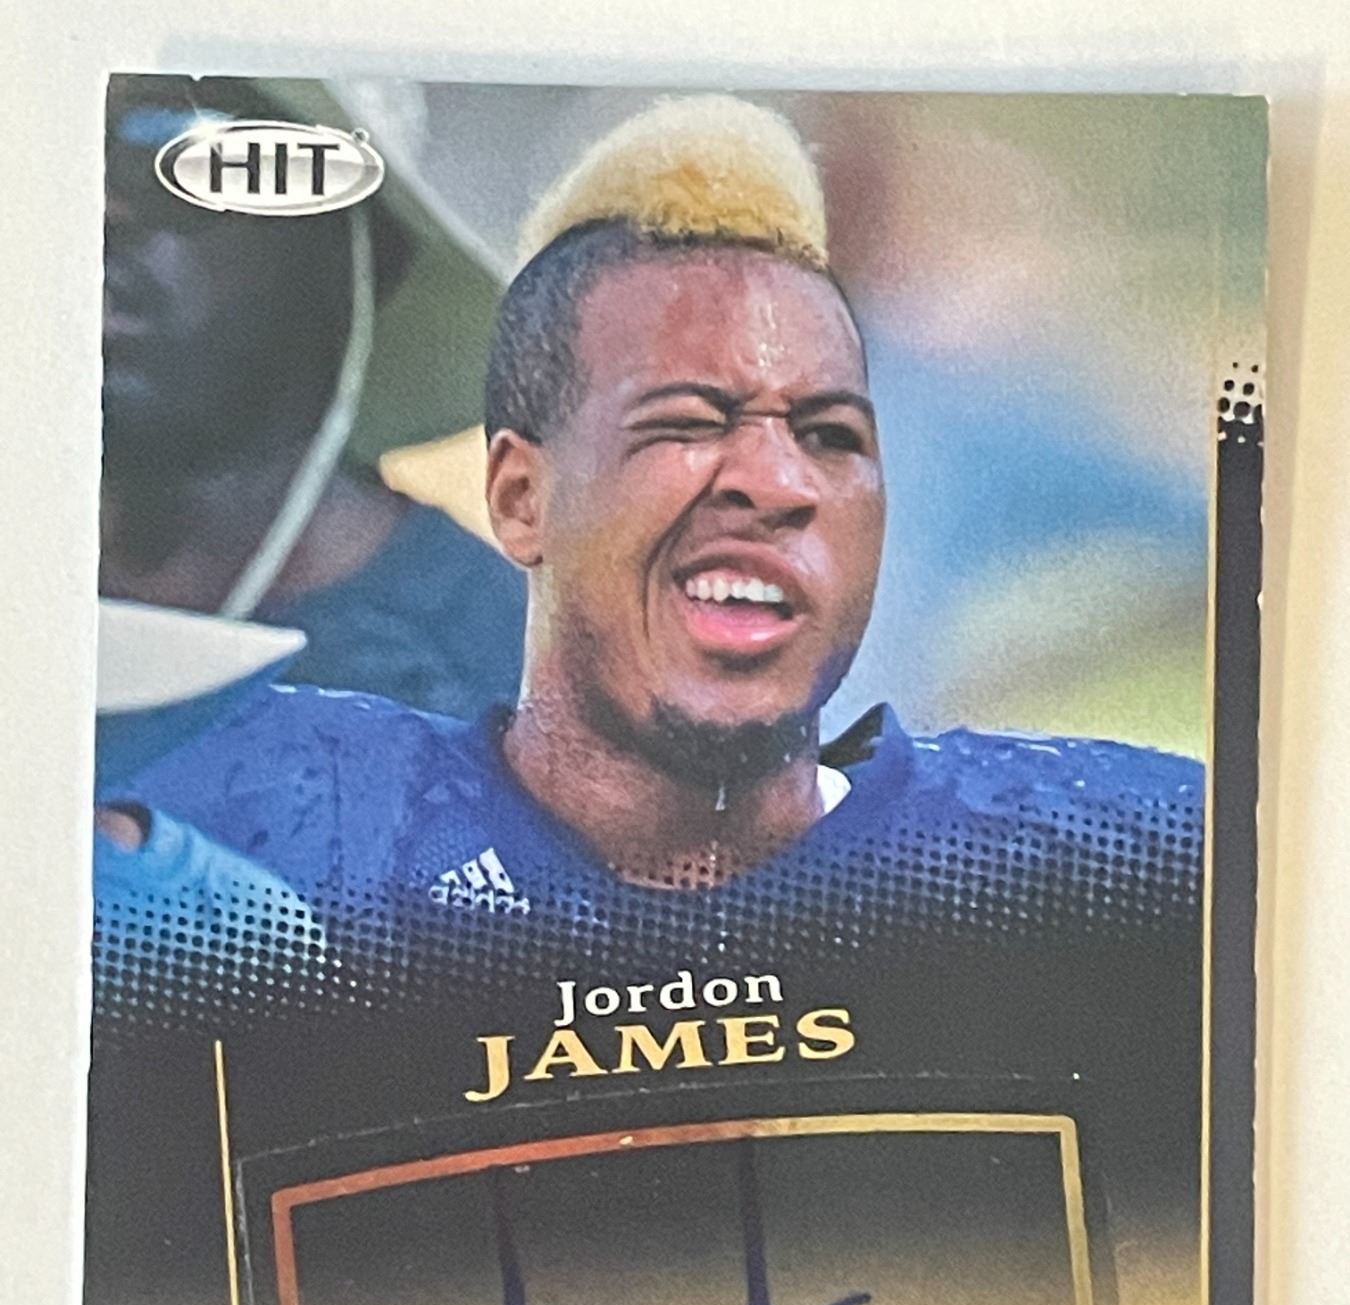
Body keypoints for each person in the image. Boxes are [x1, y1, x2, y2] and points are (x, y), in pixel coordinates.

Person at [123, 94, 1201, 937]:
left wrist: (996, 687)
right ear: (524, 491)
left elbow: (1222, 520)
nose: (766, 484)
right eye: (680, 423)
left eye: (829, 437)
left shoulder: (968, 399)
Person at [101, 74, 525, 721]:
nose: (107, 209)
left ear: (360, 258)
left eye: (185, 155)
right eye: (83, 149)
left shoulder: (493, 690)